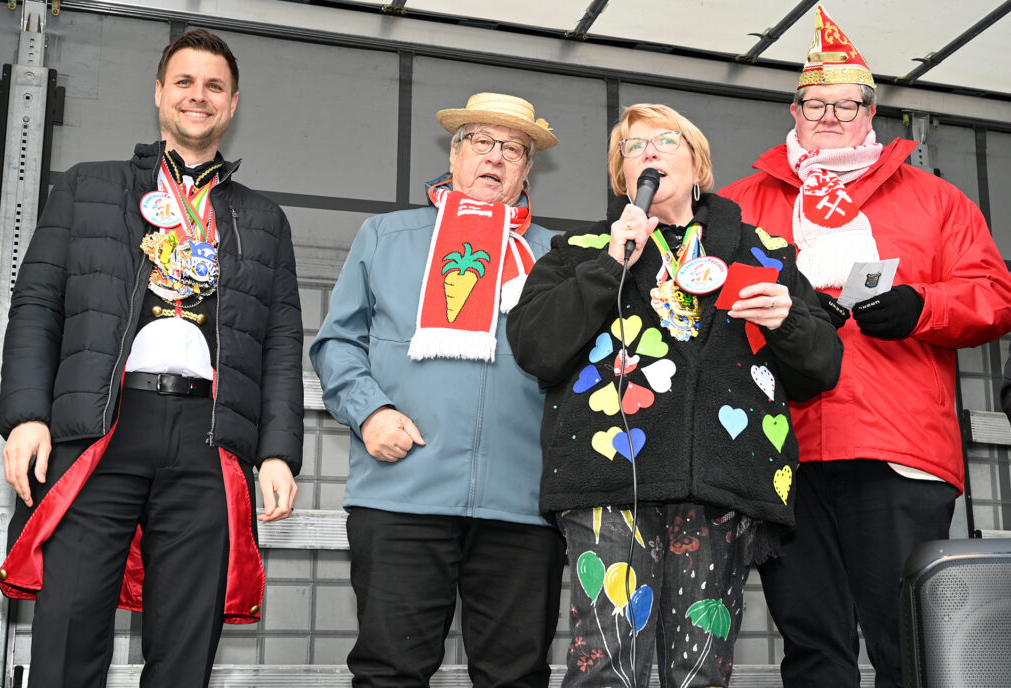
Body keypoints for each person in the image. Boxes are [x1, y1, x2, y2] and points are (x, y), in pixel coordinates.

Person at [0, 29, 303, 687]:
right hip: (100, 429)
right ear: (159, 93)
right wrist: (25, 416)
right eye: (184, 82)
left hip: (209, 437)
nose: (199, 95)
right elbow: (37, 309)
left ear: (233, 101)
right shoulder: (87, 187)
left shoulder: (263, 219)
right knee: (67, 630)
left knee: (186, 646)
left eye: (213, 85)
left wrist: (278, 451)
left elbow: (280, 344)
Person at [719, 6, 1011, 687]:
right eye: (812, 103)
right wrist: (783, 315)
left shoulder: (936, 200)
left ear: (870, 111)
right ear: (792, 111)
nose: (827, 116)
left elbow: (996, 296)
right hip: (777, 443)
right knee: (812, 646)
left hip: (897, 444)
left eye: (844, 103)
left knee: (910, 642)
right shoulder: (737, 204)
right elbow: (702, 310)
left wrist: (923, 306)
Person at [507, 103, 843, 688]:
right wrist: (611, 263)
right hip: (608, 480)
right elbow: (536, 348)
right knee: (605, 659)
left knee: (700, 670)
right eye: (633, 148)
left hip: (722, 484)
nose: (650, 153)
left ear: (698, 164)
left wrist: (789, 320)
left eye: (667, 141)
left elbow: (823, 367)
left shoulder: (763, 252)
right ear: (621, 176)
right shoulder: (579, 249)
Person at [310, 92, 565, 687]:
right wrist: (370, 413)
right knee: (390, 672)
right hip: (402, 493)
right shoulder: (385, 236)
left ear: (528, 169)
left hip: (522, 503)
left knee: (516, 676)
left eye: (513, 149)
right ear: (454, 154)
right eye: (481, 142)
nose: (496, 158)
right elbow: (336, 344)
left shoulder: (558, 256)